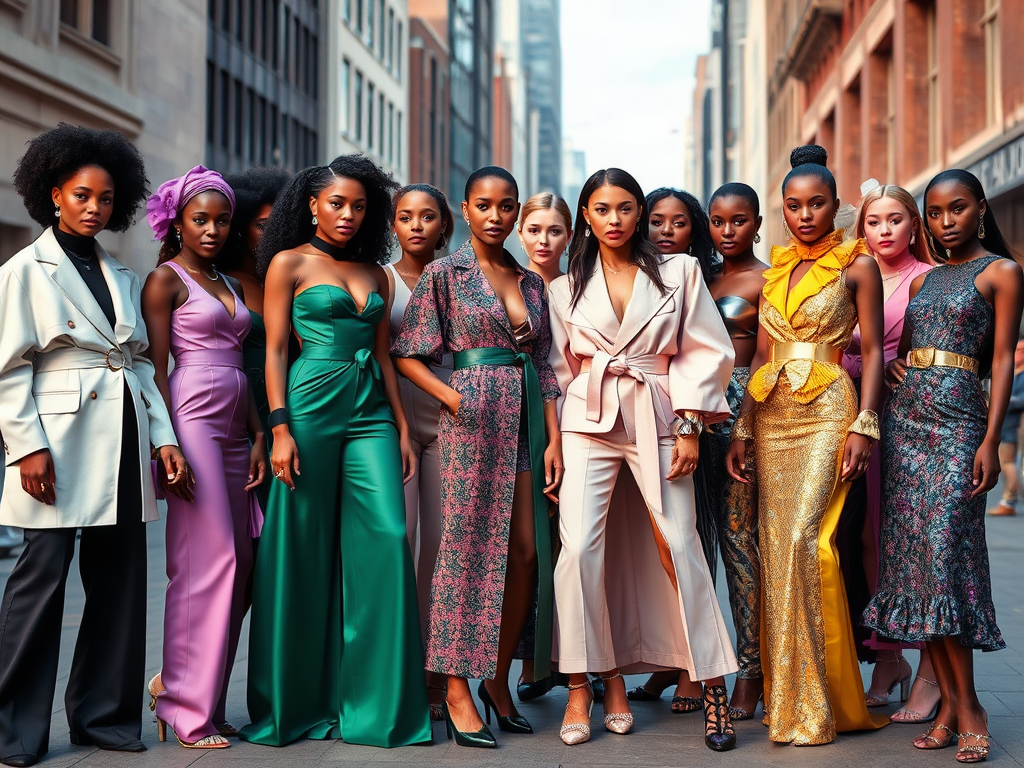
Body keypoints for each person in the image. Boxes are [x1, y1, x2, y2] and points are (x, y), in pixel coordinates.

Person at [0, 124, 189, 768]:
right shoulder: (25, 270)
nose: (94, 208)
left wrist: (163, 437)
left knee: (118, 582)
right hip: (58, 436)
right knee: (40, 581)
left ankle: (103, 718)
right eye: (82, 195)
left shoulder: (121, 271)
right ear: (54, 195)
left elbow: (137, 363)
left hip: (125, 431)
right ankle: (13, 731)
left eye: (106, 199)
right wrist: (26, 447)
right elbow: (8, 368)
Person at [239, 156, 430, 748]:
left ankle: (377, 708)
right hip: (308, 405)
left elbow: (385, 352)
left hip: (371, 409)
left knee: (387, 540)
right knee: (301, 548)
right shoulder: (288, 263)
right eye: (336, 204)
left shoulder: (376, 272)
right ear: (313, 205)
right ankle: (294, 705)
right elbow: (273, 351)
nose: (348, 215)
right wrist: (278, 430)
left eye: (359, 206)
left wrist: (399, 425)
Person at [549, 168, 739, 751]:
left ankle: (711, 688)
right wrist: (559, 436)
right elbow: (562, 370)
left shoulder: (679, 271)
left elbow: (709, 349)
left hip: (661, 413)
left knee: (682, 544)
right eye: (602, 209)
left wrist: (689, 425)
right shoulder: (563, 288)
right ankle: (582, 683)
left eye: (626, 208)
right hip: (590, 418)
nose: (614, 219)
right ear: (587, 215)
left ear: (639, 213)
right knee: (579, 547)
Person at [393, 167, 563, 749]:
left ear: (516, 211)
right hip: (470, 419)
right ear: (465, 211)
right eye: (483, 205)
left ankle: (495, 676)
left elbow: (542, 365)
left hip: (527, 421)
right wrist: (450, 396)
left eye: (506, 206)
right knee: (465, 552)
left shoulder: (530, 281)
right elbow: (408, 352)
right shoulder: (444, 273)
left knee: (525, 551)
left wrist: (556, 440)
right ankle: (457, 686)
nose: (496, 216)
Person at [726, 145, 889, 745]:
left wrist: (863, 423)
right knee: (775, 552)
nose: (803, 215)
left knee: (805, 543)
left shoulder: (857, 264)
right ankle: (785, 699)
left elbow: (870, 351)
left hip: (829, 409)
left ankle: (819, 703)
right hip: (771, 415)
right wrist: (742, 427)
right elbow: (766, 356)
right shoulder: (775, 268)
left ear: (835, 205)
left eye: (816, 204)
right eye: (793, 206)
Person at [864, 168, 1023, 764]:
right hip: (906, 427)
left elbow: (1002, 358)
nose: (945, 220)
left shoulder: (1001, 272)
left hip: (959, 426)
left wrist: (988, 439)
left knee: (948, 559)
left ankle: (972, 705)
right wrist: (898, 367)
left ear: (980, 209)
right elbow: (902, 346)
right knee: (923, 565)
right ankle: (952, 704)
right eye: (934, 212)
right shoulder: (927, 278)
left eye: (957, 208)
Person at [141, 166, 268, 749]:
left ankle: (202, 700)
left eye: (222, 220)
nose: (214, 230)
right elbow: (157, 370)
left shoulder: (229, 282)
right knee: (205, 564)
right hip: (191, 422)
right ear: (179, 222)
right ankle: (184, 708)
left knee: (238, 569)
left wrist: (260, 436)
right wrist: (165, 440)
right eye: (201, 220)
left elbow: (241, 367)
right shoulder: (164, 281)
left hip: (238, 431)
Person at [842, 183, 937, 721]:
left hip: (898, 413)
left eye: (895, 220)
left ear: (912, 226)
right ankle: (884, 653)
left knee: (893, 533)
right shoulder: (849, 271)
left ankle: (897, 660)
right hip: (840, 408)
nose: (884, 230)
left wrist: (910, 360)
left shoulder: (923, 278)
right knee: (859, 537)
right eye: (874, 221)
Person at [625, 187, 719, 715]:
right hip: (632, 419)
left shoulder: (692, 274)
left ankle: (695, 666)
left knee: (682, 543)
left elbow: (694, 353)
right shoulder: (628, 275)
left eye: (678, 222)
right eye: (656, 220)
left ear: (693, 229)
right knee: (644, 544)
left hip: (694, 418)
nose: (665, 230)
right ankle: (669, 659)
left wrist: (690, 422)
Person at [385, 182, 454, 721]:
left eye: (427, 216)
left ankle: (437, 680)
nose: (416, 226)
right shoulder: (381, 280)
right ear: (393, 224)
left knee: (439, 549)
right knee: (396, 544)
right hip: (394, 424)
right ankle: (396, 674)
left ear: (444, 225)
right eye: (405, 216)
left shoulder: (461, 277)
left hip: (452, 422)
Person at [704, 182, 766, 721]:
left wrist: (745, 424)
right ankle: (692, 667)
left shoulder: (767, 280)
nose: (727, 231)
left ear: (757, 222)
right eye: (718, 221)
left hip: (741, 409)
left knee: (739, 542)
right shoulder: (697, 276)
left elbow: (769, 361)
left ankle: (751, 671)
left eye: (738, 220)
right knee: (693, 543)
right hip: (687, 412)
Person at [217, 167, 293, 508]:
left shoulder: (291, 279)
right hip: (241, 410)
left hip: (293, 403)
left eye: (278, 225)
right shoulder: (224, 282)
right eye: (262, 226)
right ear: (239, 227)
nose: (272, 233)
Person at [990, 338, 1024, 516]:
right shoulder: (1016, 372)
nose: (1017, 354)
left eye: (1021, 351)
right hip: (1006, 423)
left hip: (1012, 425)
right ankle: (1009, 499)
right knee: (1007, 463)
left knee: (1008, 463)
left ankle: (1010, 500)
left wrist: (1002, 401)